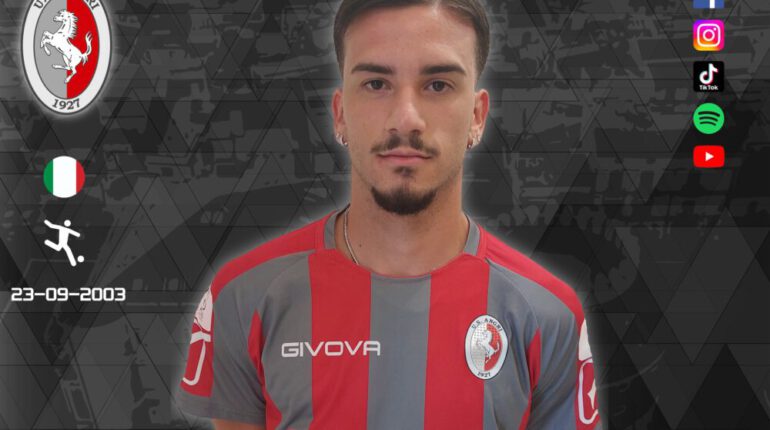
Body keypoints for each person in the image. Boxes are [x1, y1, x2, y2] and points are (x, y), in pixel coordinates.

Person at [175, 0, 603, 429]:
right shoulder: (244, 294)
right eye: (377, 83)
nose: (406, 118)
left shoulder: (549, 313)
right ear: (340, 114)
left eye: (438, 85)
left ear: (477, 116)